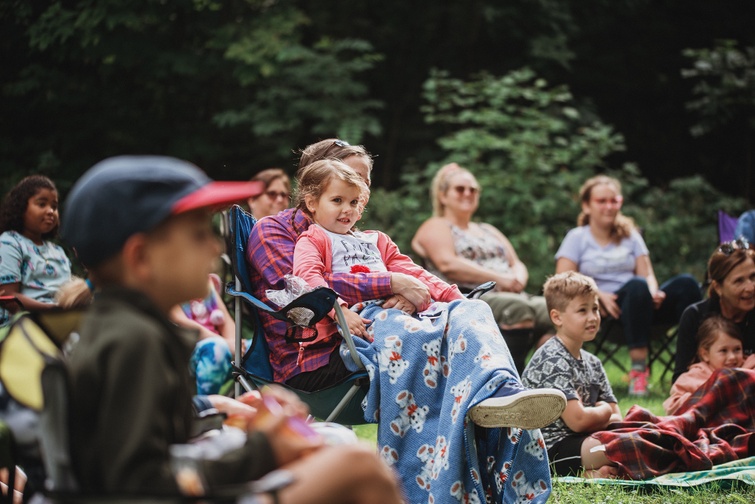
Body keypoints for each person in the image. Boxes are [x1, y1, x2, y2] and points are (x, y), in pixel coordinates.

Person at [60, 155, 403, 503]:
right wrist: (263, 450)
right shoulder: (134, 341)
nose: (213, 247)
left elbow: (151, 440)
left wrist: (220, 409)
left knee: (335, 450)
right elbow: (138, 485)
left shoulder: (128, 327)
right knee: (358, 466)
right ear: (141, 258)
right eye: (197, 235)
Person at [250, 139, 566, 503]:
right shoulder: (280, 233)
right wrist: (388, 285)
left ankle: (499, 393)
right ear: (314, 188)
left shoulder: (369, 239)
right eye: (347, 188)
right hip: (324, 351)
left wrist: (442, 296)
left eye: (359, 194)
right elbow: (303, 290)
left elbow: (413, 275)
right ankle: (432, 478)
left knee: (470, 312)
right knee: (413, 334)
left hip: (381, 328)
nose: (356, 201)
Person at [555, 175, 702, 396]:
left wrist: (654, 291)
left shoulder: (630, 236)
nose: (609, 206)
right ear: (587, 205)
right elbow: (562, 279)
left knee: (687, 284)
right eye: (602, 201)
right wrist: (596, 295)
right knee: (636, 286)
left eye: (614, 201)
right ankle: (639, 372)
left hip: (643, 304)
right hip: (606, 312)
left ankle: (695, 365)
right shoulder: (577, 238)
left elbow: (648, 274)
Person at [412, 163, 554, 373]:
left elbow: (516, 262)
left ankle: (545, 378)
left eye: (473, 189)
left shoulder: (487, 229)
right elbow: (448, 264)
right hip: (468, 296)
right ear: (443, 196)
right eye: (460, 189)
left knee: (556, 310)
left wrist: (517, 279)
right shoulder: (436, 226)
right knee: (516, 309)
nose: (468, 193)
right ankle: (510, 379)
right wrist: (501, 279)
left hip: (512, 293)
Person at [521, 271, 621, 478]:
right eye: (582, 311)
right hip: (547, 451)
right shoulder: (552, 358)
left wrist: (596, 416)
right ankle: (587, 472)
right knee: (629, 445)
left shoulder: (593, 362)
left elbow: (617, 416)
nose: (593, 317)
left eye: (595, 309)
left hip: (585, 440)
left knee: (644, 431)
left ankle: (589, 472)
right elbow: (579, 421)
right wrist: (602, 411)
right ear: (557, 317)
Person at [672, 238, 755, 383]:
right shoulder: (695, 316)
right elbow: (680, 380)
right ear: (718, 287)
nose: (750, 287)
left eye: (753, 277)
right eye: (739, 281)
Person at [0, 175, 72, 326]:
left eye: (54, 206)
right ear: (20, 208)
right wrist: (52, 310)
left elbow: (69, 293)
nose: (50, 211)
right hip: (23, 325)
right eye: (42, 204)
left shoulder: (58, 252)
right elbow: (7, 297)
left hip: (61, 321)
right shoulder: (10, 243)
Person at [664, 315, 755, 414]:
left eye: (737, 349)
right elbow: (673, 406)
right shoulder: (694, 377)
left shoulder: (750, 368)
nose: (732, 357)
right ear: (705, 354)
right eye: (723, 351)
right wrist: (708, 398)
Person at [170, 273, 237, 395]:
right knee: (217, 349)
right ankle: (205, 407)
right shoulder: (169, 284)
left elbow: (226, 320)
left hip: (221, 346)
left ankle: (259, 403)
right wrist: (228, 344)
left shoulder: (206, 281)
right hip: (190, 351)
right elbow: (180, 322)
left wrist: (236, 345)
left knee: (253, 349)